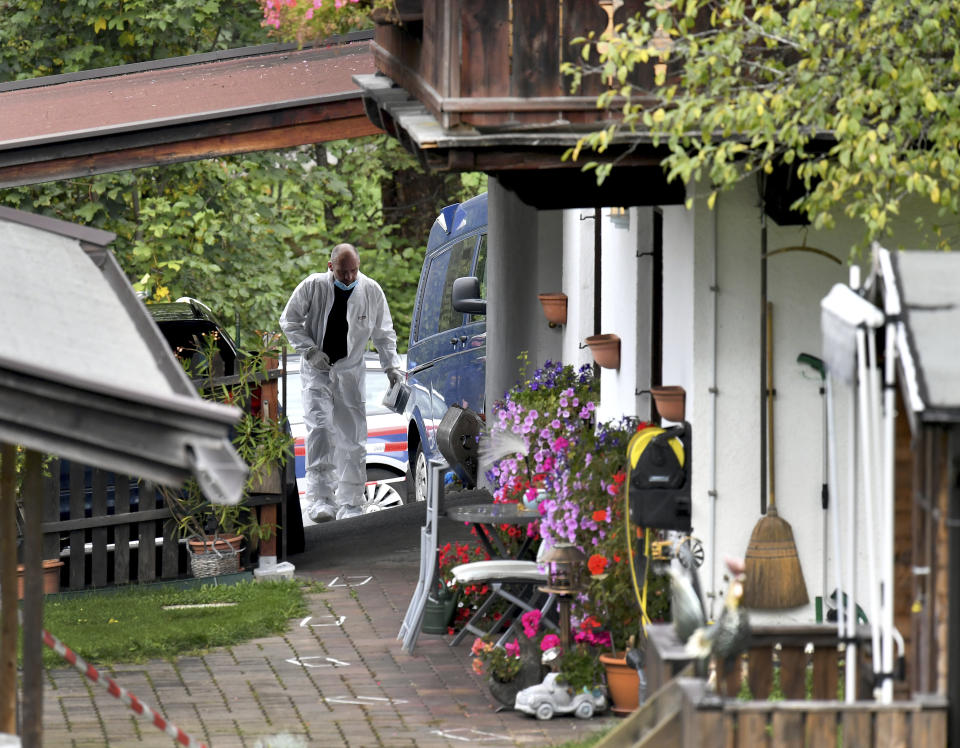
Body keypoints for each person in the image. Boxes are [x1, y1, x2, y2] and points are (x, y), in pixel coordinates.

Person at [280, 243, 403, 523]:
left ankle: (351, 501)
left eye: (353, 271)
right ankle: (321, 498)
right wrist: (310, 350)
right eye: (342, 271)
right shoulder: (313, 287)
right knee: (320, 431)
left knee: (353, 438)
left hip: (351, 372)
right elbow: (289, 321)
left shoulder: (371, 291)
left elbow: (384, 334)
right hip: (316, 371)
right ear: (329, 266)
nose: (348, 277)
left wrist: (392, 368)